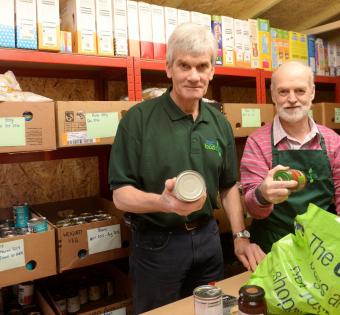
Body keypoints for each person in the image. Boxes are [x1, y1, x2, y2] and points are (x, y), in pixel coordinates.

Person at [108, 23, 264, 314]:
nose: (194, 76)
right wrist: (163, 202)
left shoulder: (219, 123)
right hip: (157, 246)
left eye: (202, 66)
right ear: (168, 68)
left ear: (212, 71)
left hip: (208, 241)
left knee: (210, 311)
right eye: (184, 66)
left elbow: (229, 185)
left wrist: (240, 236)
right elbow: (121, 195)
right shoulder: (138, 120)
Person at [240, 61, 340, 254]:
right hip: (274, 250)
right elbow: (252, 208)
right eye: (283, 92)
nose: (292, 99)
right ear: (273, 95)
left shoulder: (332, 141)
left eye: (300, 90)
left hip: (322, 249)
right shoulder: (257, 142)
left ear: (312, 92)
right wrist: (262, 195)